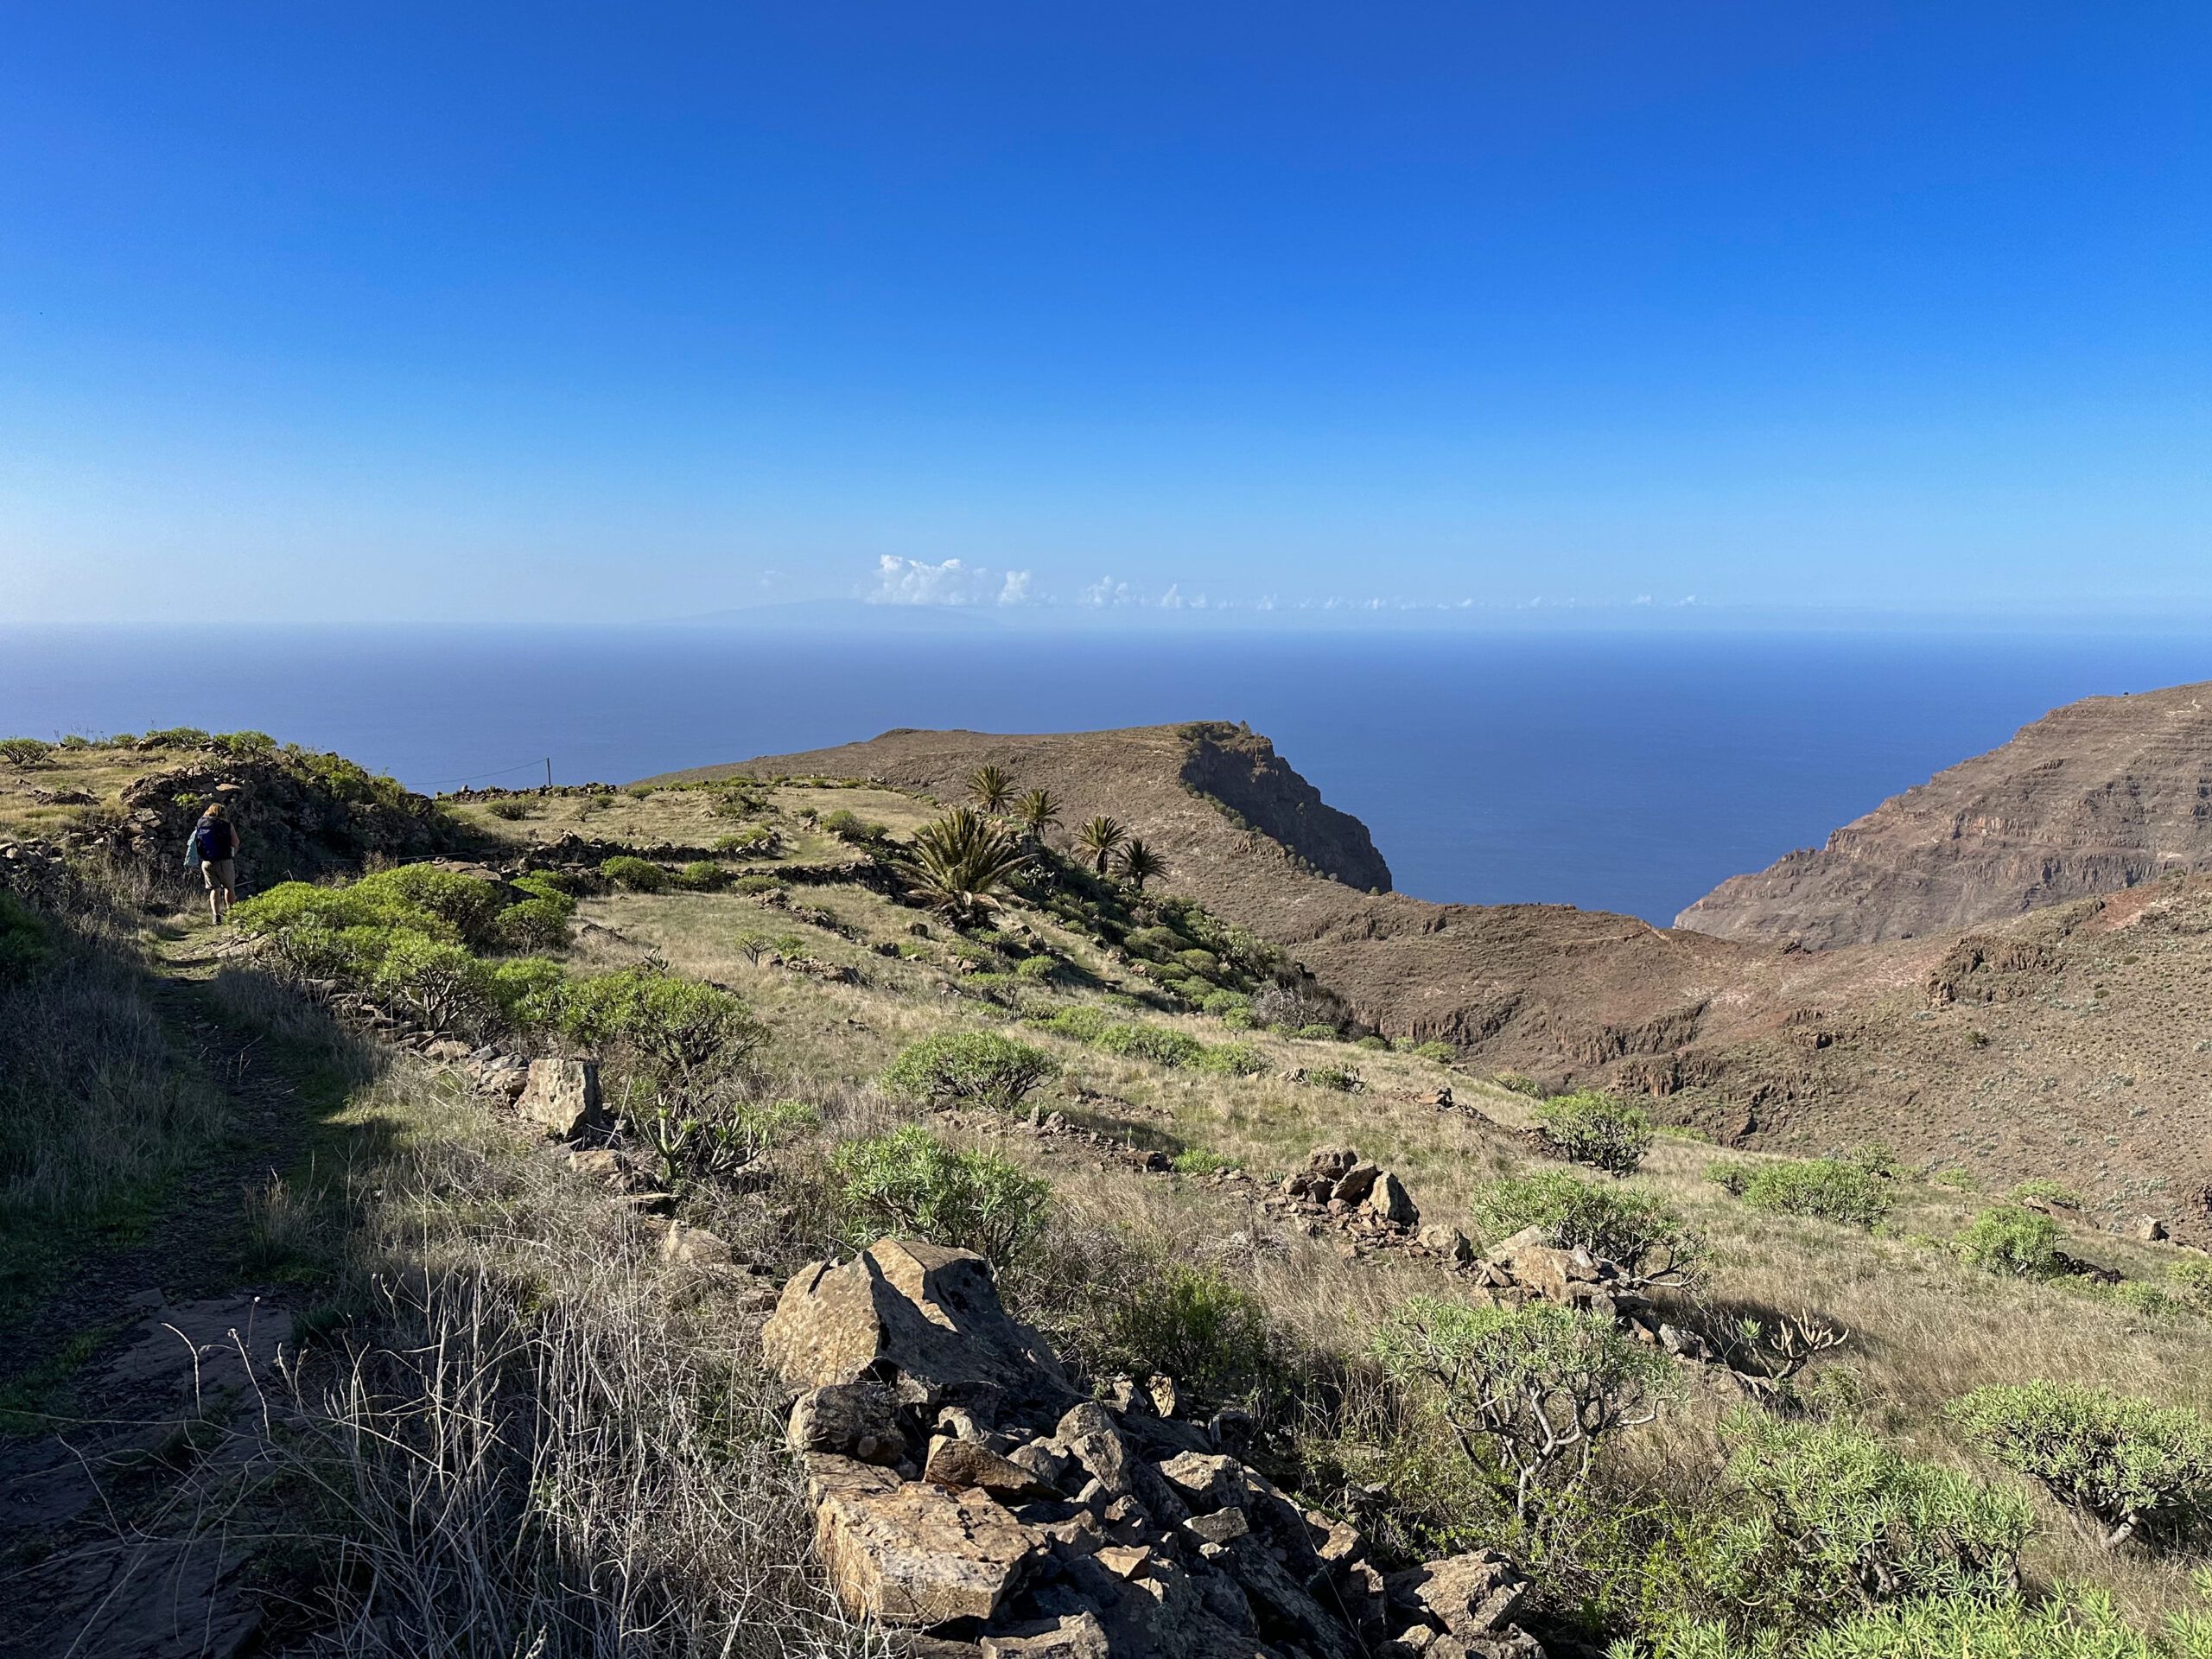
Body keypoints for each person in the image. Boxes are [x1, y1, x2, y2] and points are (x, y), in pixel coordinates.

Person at [192, 803, 240, 924]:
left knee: (214, 889)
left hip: (206, 862)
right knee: (229, 887)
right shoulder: (226, 825)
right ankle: (232, 914)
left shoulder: (200, 823)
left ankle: (216, 916)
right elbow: (235, 843)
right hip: (224, 861)